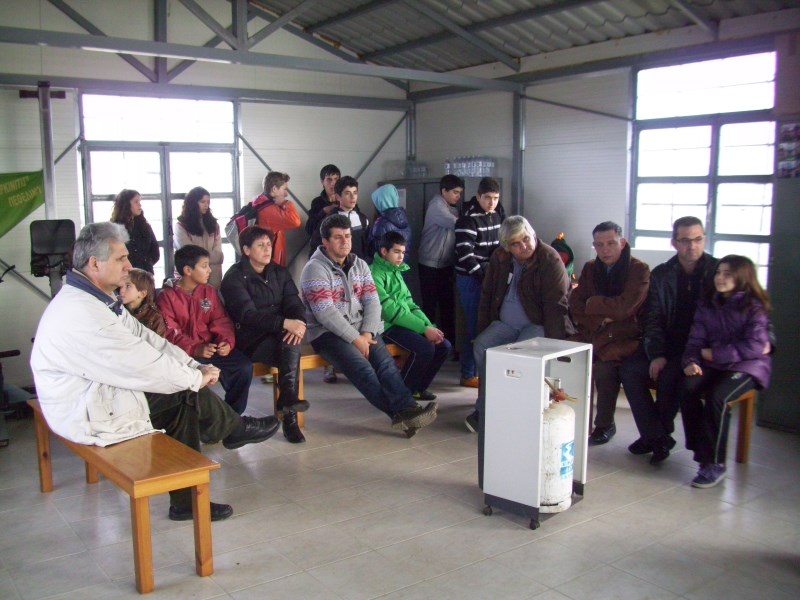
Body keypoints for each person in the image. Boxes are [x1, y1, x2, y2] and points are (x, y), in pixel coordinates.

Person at [30, 222, 279, 522]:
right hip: (81, 409)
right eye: (121, 259)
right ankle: (229, 433)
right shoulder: (84, 311)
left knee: (183, 395)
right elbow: (140, 363)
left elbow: (147, 339)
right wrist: (193, 378)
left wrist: (194, 366)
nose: (129, 266)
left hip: (92, 393)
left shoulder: (99, 299)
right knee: (183, 395)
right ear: (95, 264)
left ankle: (201, 477)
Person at [300, 214, 438, 435]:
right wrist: (356, 339)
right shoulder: (314, 269)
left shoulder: (360, 265)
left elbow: (373, 302)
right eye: (338, 237)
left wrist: (367, 333)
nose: (345, 241)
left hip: (362, 330)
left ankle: (407, 413)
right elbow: (325, 313)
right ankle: (404, 412)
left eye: (347, 236)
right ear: (325, 242)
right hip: (328, 335)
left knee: (386, 366)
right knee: (364, 371)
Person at [619, 216, 717, 463]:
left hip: (700, 350)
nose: (692, 246)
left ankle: (656, 438)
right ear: (674, 243)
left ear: (704, 239)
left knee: (669, 378)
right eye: (685, 240)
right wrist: (657, 354)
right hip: (666, 345)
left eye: (698, 239)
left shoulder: (717, 272)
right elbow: (651, 318)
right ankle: (657, 437)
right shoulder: (662, 274)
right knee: (630, 370)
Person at [464, 216, 572, 433]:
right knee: (483, 346)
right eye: (516, 243)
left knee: (518, 360)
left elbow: (557, 304)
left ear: (533, 234)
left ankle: (514, 412)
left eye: (526, 239)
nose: (524, 246)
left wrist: (555, 344)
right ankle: (486, 408)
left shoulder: (549, 259)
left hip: (536, 324)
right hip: (505, 323)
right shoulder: (500, 257)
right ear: (507, 246)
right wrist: (483, 328)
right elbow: (487, 294)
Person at [680, 255, 771, 488]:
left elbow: (756, 347)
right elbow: (695, 340)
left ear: (742, 277)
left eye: (727, 274)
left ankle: (715, 463)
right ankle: (701, 449)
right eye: (718, 273)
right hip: (712, 363)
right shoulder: (708, 303)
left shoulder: (754, 306)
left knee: (717, 397)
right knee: (687, 387)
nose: (720, 278)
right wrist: (691, 361)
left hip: (748, 366)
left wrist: (714, 354)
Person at [220, 226, 309, 444]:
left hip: (279, 333)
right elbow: (247, 315)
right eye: (260, 245)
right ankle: (289, 417)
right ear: (246, 250)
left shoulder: (279, 272)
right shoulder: (234, 277)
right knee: (290, 348)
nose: (267, 249)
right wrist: (285, 323)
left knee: (291, 343)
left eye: (269, 244)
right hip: (250, 338)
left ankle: (287, 401)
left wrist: (299, 323)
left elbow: (293, 302)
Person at [569, 221, 650, 447]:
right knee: (565, 357)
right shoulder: (590, 268)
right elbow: (576, 305)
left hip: (624, 337)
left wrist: (593, 303)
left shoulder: (639, 269)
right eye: (599, 245)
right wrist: (602, 318)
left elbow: (625, 308)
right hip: (594, 332)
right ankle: (571, 423)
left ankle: (604, 425)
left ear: (622, 243)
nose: (605, 250)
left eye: (611, 243)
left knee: (604, 368)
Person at [157, 245, 253, 415]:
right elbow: (171, 333)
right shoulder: (167, 297)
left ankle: (233, 416)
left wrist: (225, 342)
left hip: (210, 349)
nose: (209, 270)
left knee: (243, 367)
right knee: (191, 377)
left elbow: (221, 320)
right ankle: (201, 421)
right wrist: (195, 348)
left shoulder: (209, 291)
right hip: (184, 354)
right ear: (188, 270)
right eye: (204, 266)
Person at [370, 231, 451, 401]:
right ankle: (400, 396)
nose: (401, 256)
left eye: (403, 252)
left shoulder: (396, 271)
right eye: (396, 252)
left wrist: (429, 326)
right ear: (384, 251)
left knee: (443, 345)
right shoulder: (374, 273)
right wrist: (423, 329)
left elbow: (410, 304)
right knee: (425, 348)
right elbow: (389, 311)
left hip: (403, 322)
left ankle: (417, 389)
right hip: (386, 326)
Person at [454, 177, 503, 388]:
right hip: (470, 278)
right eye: (488, 198)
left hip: (489, 276)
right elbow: (465, 255)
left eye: (496, 198)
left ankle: (482, 372)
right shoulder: (467, 220)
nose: (492, 203)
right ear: (478, 196)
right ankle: (468, 374)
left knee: (487, 325)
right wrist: (484, 278)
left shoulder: (497, 215)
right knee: (474, 325)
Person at [418, 174, 464, 347]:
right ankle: (429, 345)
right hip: (429, 264)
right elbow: (456, 224)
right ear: (444, 191)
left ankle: (447, 344)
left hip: (445, 264)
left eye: (460, 193)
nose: (458, 196)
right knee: (430, 306)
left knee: (447, 305)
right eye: (455, 192)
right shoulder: (437, 206)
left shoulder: (451, 207)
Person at [308, 175, 369, 261]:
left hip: (359, 267)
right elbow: (316, 248)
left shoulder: (363, 219)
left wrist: (366, 263)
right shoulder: (328, 221)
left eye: (355, 193)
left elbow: (368, 246)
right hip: (336, 267)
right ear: (338, 197)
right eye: (347, 193)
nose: (353, 197)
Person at [175, 186, 224, 287]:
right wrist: (210, 258)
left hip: (214, 275)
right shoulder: (181, 226)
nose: (206, 205)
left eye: (208, 202)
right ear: (193, 203)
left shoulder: (214, 224)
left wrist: (204, 260)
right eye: (202, 202)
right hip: (191, 276)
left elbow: (219, 254)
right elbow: (189, 255)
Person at [254, 171, 302, 266]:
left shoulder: (260, 202)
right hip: (269, 264)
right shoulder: (268, 210)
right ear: (274, 189)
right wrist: (286, 203)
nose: (286, 194)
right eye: (284, 189)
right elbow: (295, 221)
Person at [110, 189, 160, 274]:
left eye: (140, 201)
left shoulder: (145, 226)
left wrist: (146, 263)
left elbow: (155, 253)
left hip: (145, 274)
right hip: (124, 274)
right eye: (136, 202)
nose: (140, 205)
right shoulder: (114, 228)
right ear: (126, 204)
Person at [367, 184, 411, 261]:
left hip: (383, 267)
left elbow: (374, 251)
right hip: (401, 265)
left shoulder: (381, 224)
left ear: (381, 201)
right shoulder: (404, 219)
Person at [119, 268, 167, 337]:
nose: (121, 290)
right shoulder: (118, 310)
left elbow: (158, 342)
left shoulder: (155, 317)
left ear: (142, 294)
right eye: (121, 285)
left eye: (128, 286)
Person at [305, 164, 341, 239]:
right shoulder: (317, 202)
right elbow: (309, 229)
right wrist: (323, 212)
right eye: (329, 179)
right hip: (323, 243)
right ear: (322, 182)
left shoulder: (346, 199)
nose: (333, 183)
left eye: (336, 179)